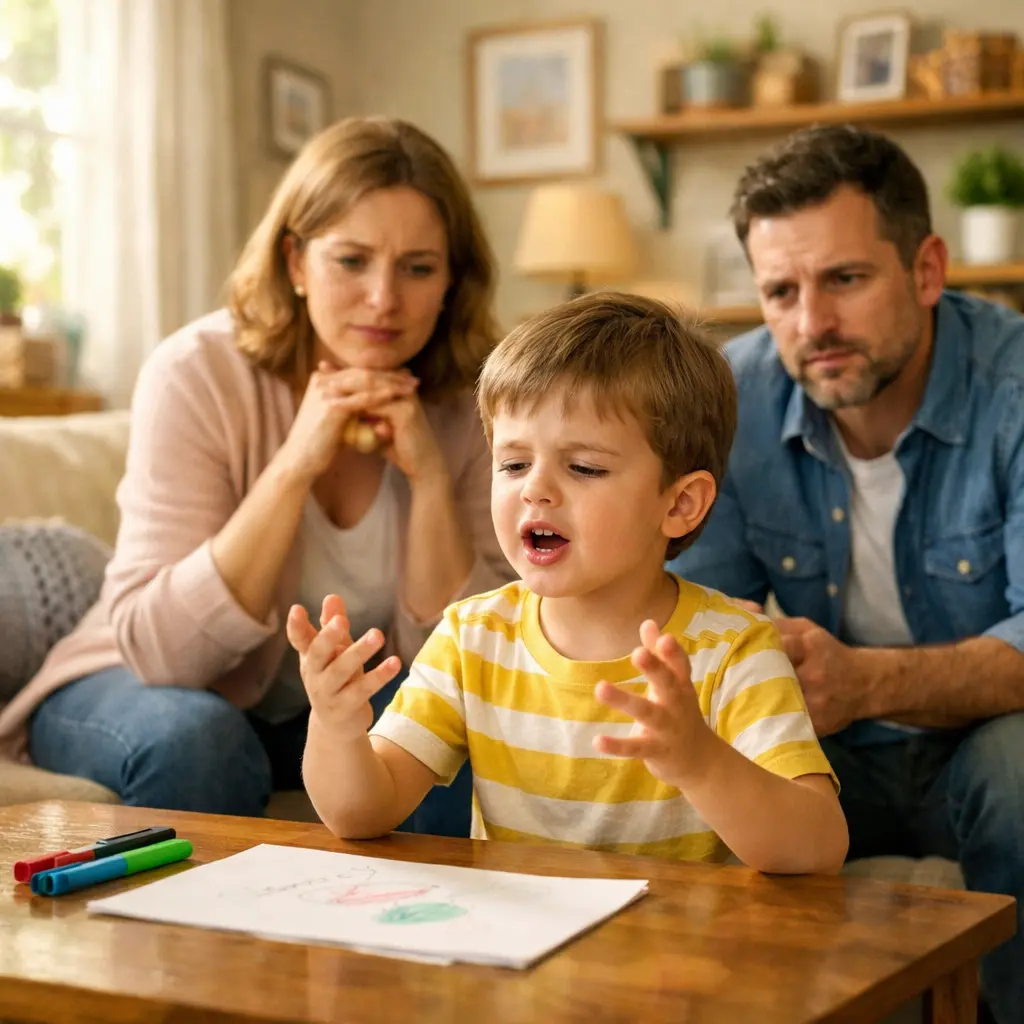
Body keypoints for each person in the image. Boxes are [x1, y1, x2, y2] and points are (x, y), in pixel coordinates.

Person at [0, 117, 513, 828]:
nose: (384, 299)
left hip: (325, 710)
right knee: (200, 742)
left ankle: (424, 938)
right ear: (297, 263)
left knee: (443, 732)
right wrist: (295, 464)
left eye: (418, 267)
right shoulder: (196, 372)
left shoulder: (476, 401)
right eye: (352, 260)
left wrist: (429, 481)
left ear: (452, 281)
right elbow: (161, 651)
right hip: (135, 682)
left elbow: (473, 668)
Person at [288, 292, 849, 871]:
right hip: (515, 952)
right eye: (512, 464)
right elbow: (360, 813)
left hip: (672, 956)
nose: (535, 488)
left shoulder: (733, 649)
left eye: (584, 467)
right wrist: (335, 728)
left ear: (681, 503)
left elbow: (819, 846)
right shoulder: (472, 635)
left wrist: (699, 761)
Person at [669, 124, 1024, 1023]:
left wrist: (866, 682)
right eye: (779, 292)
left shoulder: (1014, 387)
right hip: (819, 748)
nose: (810, 324)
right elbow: (695, 612)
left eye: (845, 280)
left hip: (986, 740)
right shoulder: (730, 397)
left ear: (929, 270)